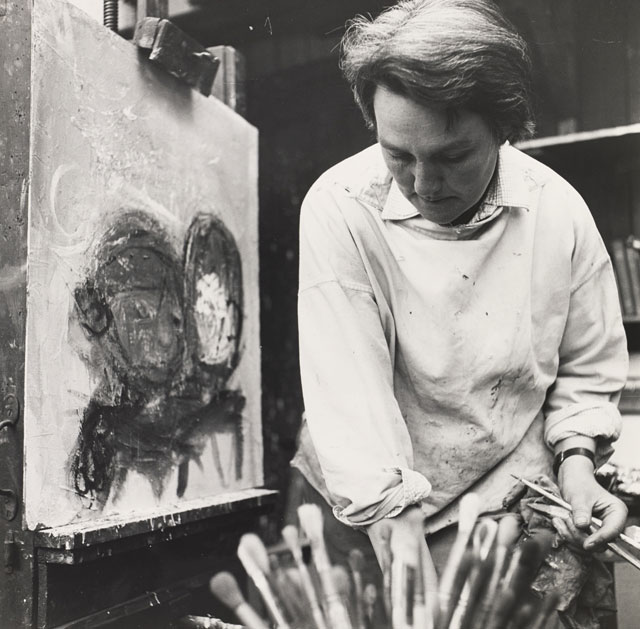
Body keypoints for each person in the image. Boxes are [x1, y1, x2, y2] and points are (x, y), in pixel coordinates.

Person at [289, 0, 629, 596]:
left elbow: (586, 367)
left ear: (504, 129)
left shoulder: (558, 210)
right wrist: (407, 567)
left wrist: (577, 466)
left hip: (502, 494)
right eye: (398, 155)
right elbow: (352, 405)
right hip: (362, 505)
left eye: (452, 157)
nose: (423, 185)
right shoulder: (340, 207)